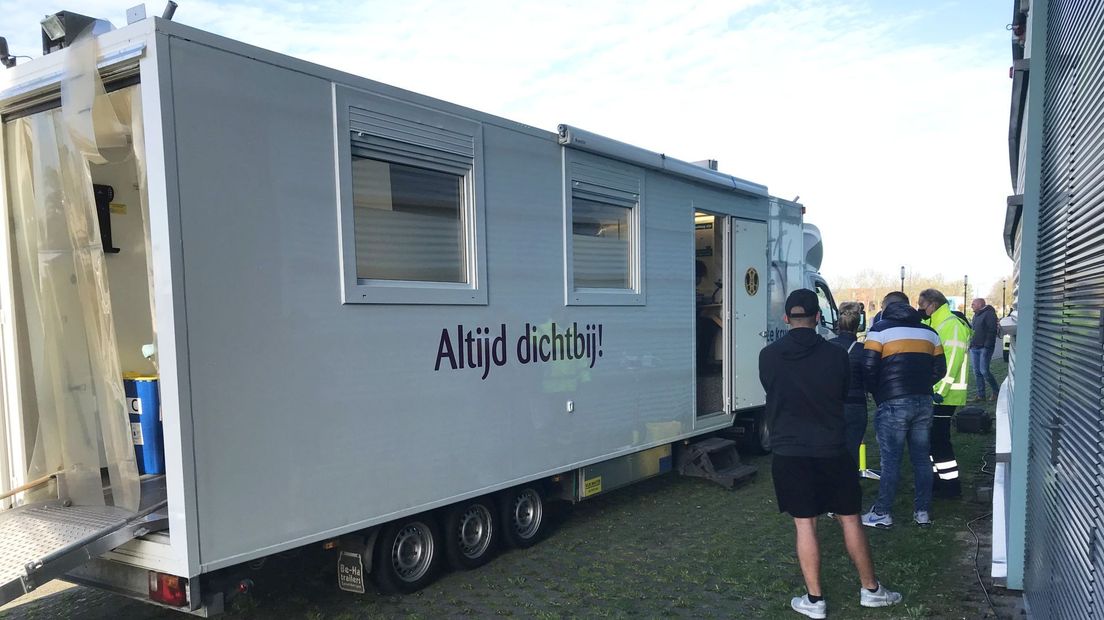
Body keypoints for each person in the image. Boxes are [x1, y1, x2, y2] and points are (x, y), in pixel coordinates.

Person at [760, 289, 902, 618]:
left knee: (805, 525)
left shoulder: (768, 356)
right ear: (817, 318)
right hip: (832, 448)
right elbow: (841, 394)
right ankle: (870, 590)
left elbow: (772, 390)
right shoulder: (837, 355)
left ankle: (815, 600)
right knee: (850, 519)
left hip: (789, 451)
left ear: (786, 318)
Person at [861, 292, 946, 529]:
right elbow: (941, 368)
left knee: (891, 461)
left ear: (886, 307)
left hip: (892, 401)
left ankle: (883, 512)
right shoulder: (930, 333)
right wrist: (922, 385)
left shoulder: (878, 331)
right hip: (923, 401)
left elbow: (868, 366)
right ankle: (922, 512)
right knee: (921, 459)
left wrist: (879, 391)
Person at [918, 289, 971, 499]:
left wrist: (938, 391)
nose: (920, 309)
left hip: (944, 395)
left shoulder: (951, 325)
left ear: (933, 304)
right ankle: (938, 481)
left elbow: (952, 362)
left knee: (940, 441)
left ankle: (950, 486)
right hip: (934, 393)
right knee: (932, 441)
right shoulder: (935, 323)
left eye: (922, 305)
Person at [828, 302, 867, 468]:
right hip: (856, 405)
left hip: (830, 404)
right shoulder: (862, 350)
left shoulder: (826, 347)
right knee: (851, 452)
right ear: (858, 326)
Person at [969, 297, 1000, 401]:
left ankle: (996, 392)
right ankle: (981, 395)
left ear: (980, 304)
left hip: (984, 348)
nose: (971, 306)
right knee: (977, 372)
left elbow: (992, 330)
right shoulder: (975, 315)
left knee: (984, 371)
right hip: (974, 348)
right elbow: (973, 331)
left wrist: (987, 345)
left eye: (973, 304)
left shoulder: (989, 314)